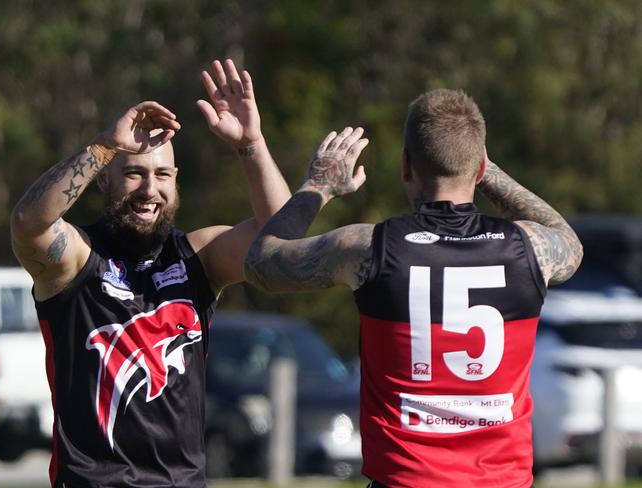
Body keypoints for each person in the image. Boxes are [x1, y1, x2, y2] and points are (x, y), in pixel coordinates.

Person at [244, 88, 583, 487]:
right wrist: (485, 168)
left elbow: (262, 263)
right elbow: (567, 237)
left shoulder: (367, 247)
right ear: (476, 168)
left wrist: (318, 186)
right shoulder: (532, 248)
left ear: (406, 166)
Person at [10, 59, 290, 488]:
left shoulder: (199, 256)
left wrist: (251, 144)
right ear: (104, 181)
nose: (149, 189)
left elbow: (281, 239)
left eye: (162, 175)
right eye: (134, 174)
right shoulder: (77, 260)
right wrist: (105, 145)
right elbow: (29, 223)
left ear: (176, 182)